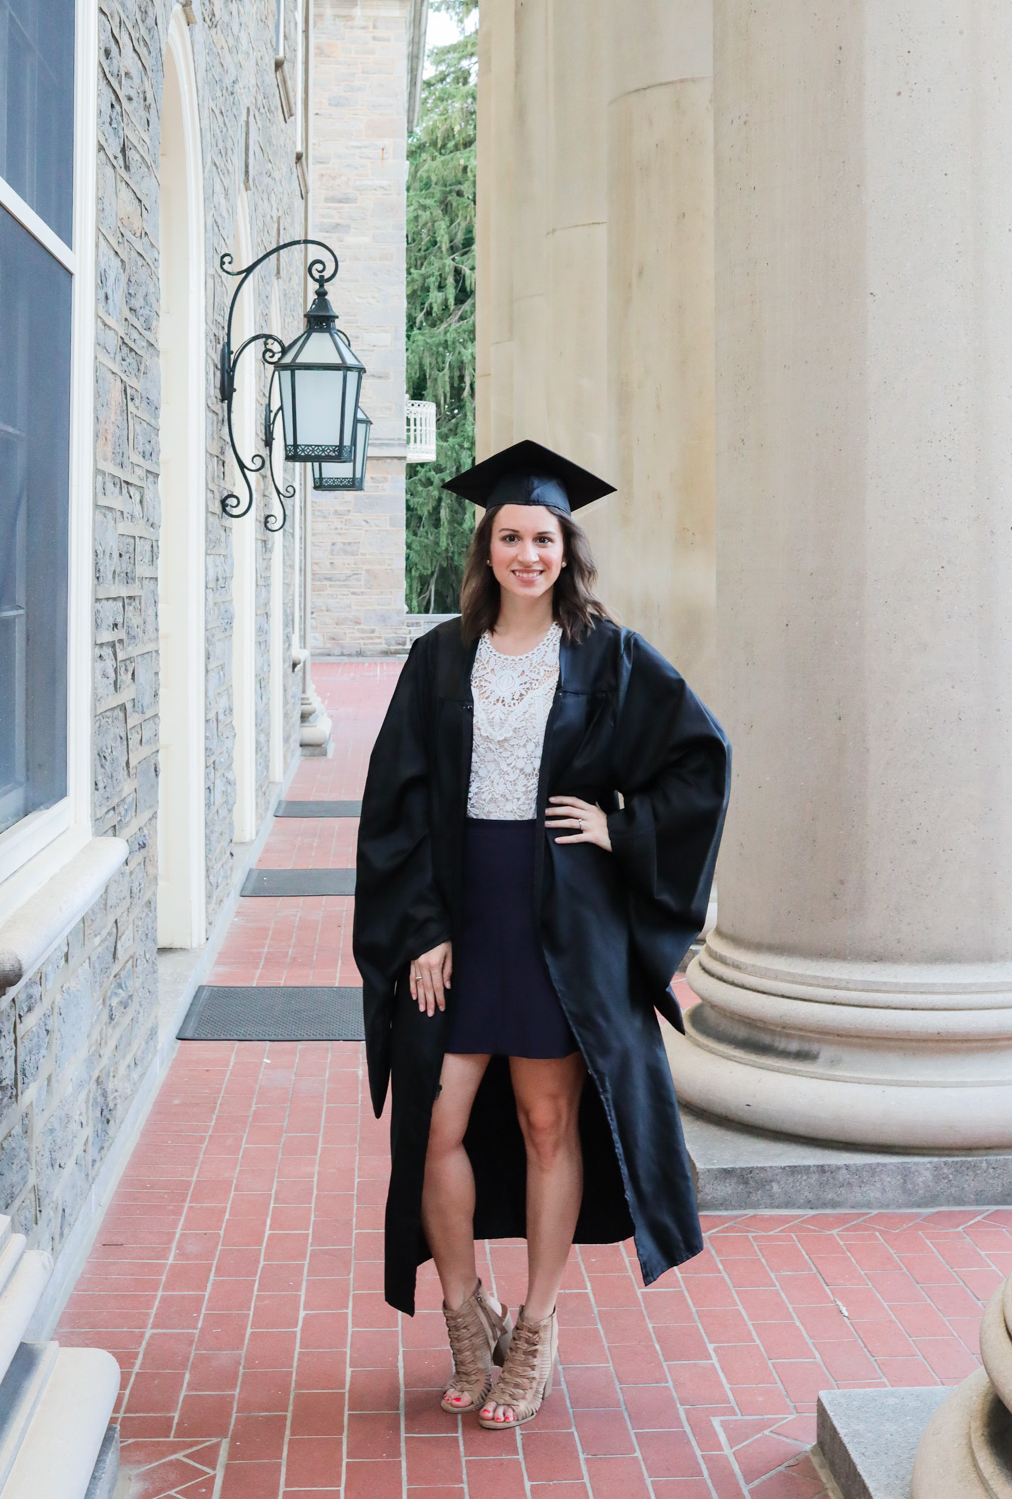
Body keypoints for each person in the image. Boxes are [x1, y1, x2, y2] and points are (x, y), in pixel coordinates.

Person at [353, 441, 730, 1430]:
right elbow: (399, 801)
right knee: (435, 1121)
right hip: (459, 911)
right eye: (511, 536)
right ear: (486, 549)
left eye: (545, 538)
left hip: (555, 919)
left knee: (546, 1122)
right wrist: (421, 929)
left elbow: (700, 755)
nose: (529, 553)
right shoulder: (440, 657)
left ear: (567, 550)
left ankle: (536, 1323)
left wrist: (621, 825)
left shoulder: (604, 654)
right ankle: (462, 1308)